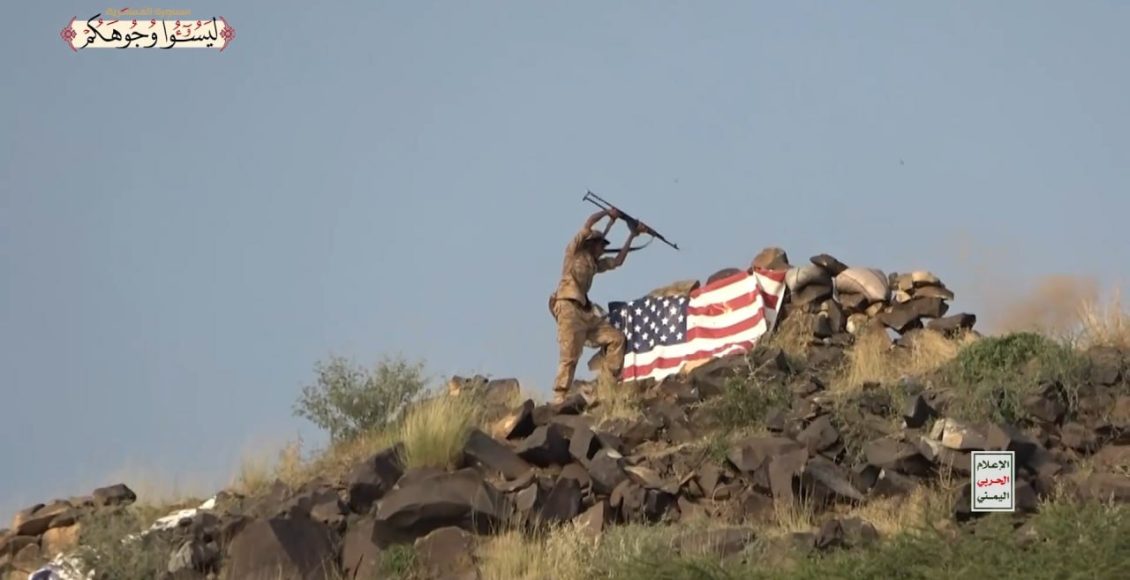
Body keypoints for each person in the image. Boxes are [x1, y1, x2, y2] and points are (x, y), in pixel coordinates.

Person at [549, 208, 644, 402]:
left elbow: (617, 261)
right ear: (591, 245)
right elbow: (588, 223)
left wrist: (632, 236)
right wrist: (608, 214)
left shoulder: (593, 263)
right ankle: (559, 397)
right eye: (600, 245)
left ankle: (607, 386)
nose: (603, 250)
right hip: (568, 307)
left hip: (585, 312)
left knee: (616, 339)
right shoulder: (573, 253)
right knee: (570, 354)